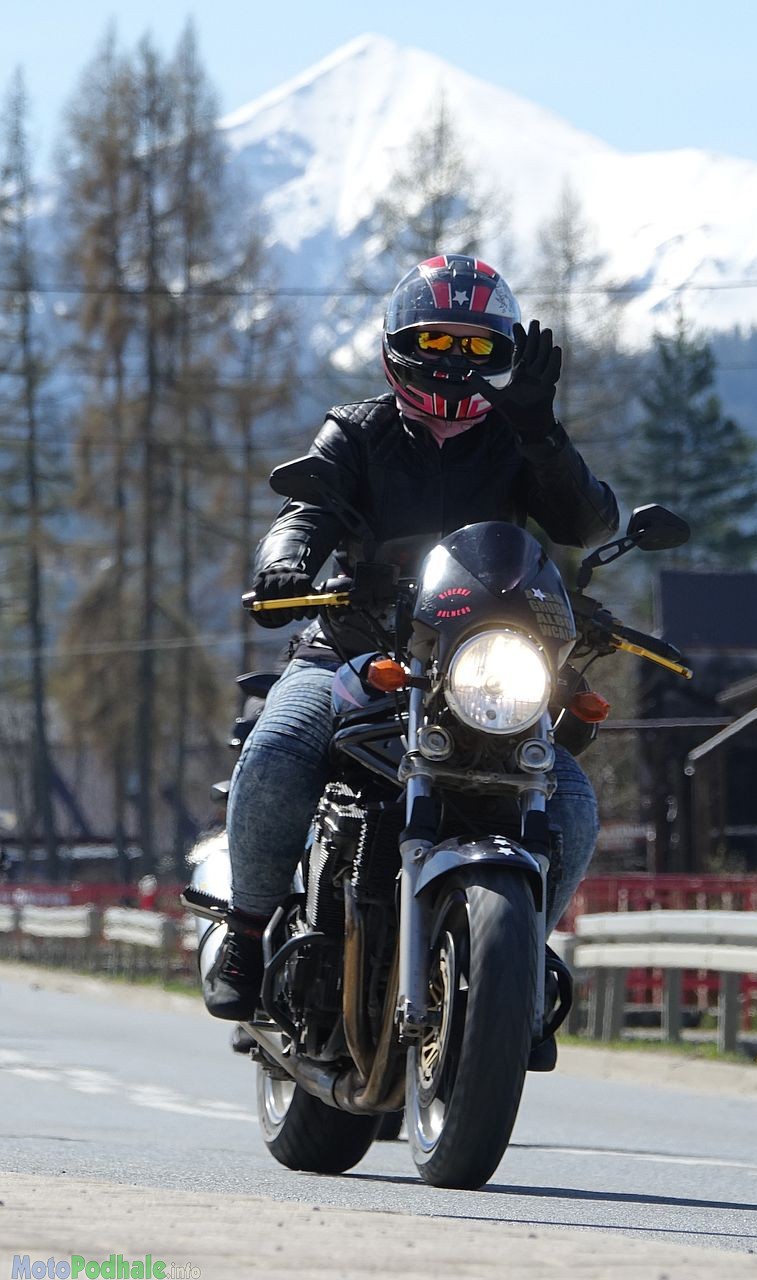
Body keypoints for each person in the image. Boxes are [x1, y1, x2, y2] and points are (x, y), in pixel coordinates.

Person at [204, 254, 619, 1032]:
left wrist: (541, 431)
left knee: (570, 801)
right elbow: (305, 512)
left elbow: (586, 524)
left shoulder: (517, 440)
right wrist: (285, 562)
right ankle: (248, 931)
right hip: (354, 650)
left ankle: (519, 958)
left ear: (505, 355)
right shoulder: (357, 431)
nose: (455, 361)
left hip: (480, 665)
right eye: (436, 342)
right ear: (399, 344)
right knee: (279, 747)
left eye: (475, 346)